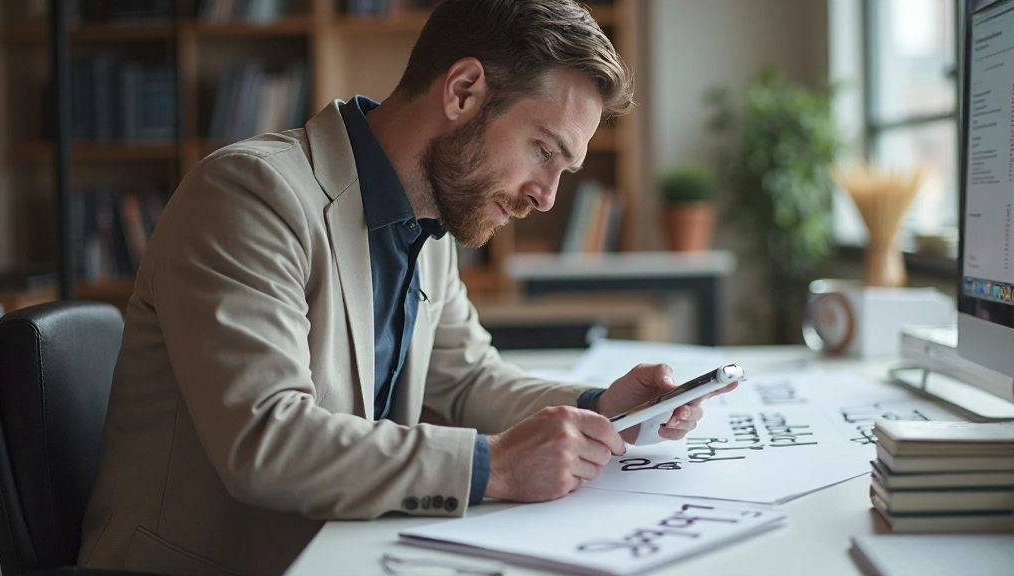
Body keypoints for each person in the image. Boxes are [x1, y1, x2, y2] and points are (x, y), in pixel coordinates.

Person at [78, 1, 736, 574]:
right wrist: (496, 466)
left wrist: (603, 406)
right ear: (463, 92)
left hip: (348, 552)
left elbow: (467, 382)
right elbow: (267, 442)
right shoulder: (250, 197)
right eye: (543, 151)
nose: (546, 196)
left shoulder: (432, 219)